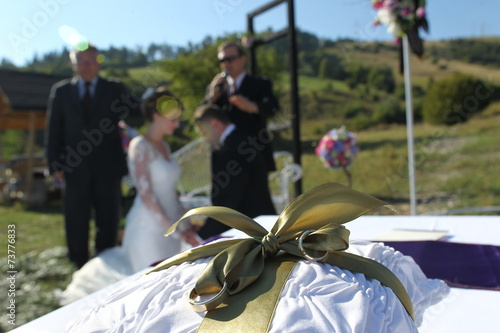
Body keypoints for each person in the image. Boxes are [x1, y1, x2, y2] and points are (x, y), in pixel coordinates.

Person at [59, 88, 199, 305]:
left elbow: (171, 192)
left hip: (173, 220)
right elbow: (147, 196)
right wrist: (175, 230)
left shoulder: (165, 145)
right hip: (149, 227)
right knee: (149, 287)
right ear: (158, 116)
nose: (177, 125)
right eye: (175, 119)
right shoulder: (139, 146)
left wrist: (186, 224)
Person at [45, 44, 140, 268]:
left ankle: (105, 263)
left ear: (99, 62)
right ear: (73, 64)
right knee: (76, 218)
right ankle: (78, 264)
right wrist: (54, 163)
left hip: (108, 167)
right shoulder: (62, 91)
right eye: (81, 60)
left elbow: (138, 112)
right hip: (74, 166)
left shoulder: (115, 88)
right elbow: (53, 129)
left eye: (91, 60)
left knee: (108, 218)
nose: (87, 65)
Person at [193, 104, 276, 239]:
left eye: (203, 132)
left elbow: (229, 202)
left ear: (215, 124)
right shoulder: (241, 140)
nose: (204, 138)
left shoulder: (232, 149)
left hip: (252, 231)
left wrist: (202, 236)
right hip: (258, 223)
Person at [203, 41, 279, 173]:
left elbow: (273, 108)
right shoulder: (217, 88)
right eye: (222, 60)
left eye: (231, 59)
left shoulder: (260, 84)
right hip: (226, 160)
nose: (226, 64)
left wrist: (252, 107)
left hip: (253, 155)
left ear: (243, 58)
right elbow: (201, 116)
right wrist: (212, 96)